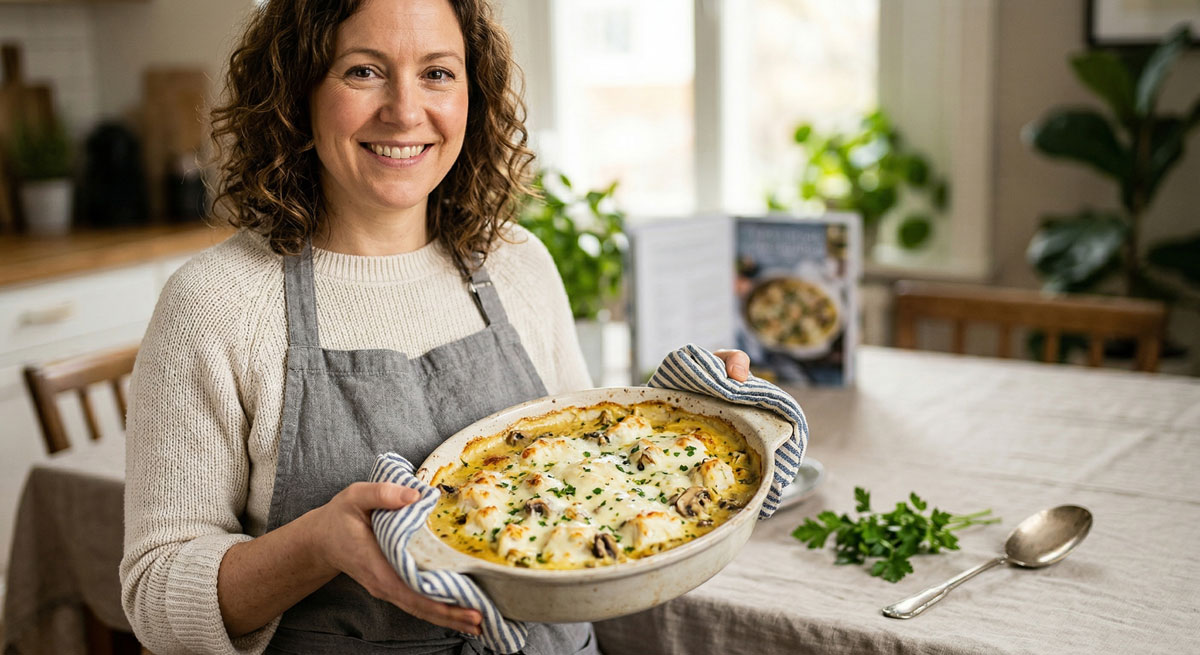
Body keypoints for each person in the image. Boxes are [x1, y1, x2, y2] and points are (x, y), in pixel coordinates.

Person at [119, 1, 749, 653]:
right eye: (364, 71)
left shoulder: (520, 265)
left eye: (438, 73)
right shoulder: (216, 302)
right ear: (296, 89)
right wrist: (315, 545)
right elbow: (156, 598)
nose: (405, 110)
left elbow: (590, 476)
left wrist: (688, 428)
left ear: (472, 94)